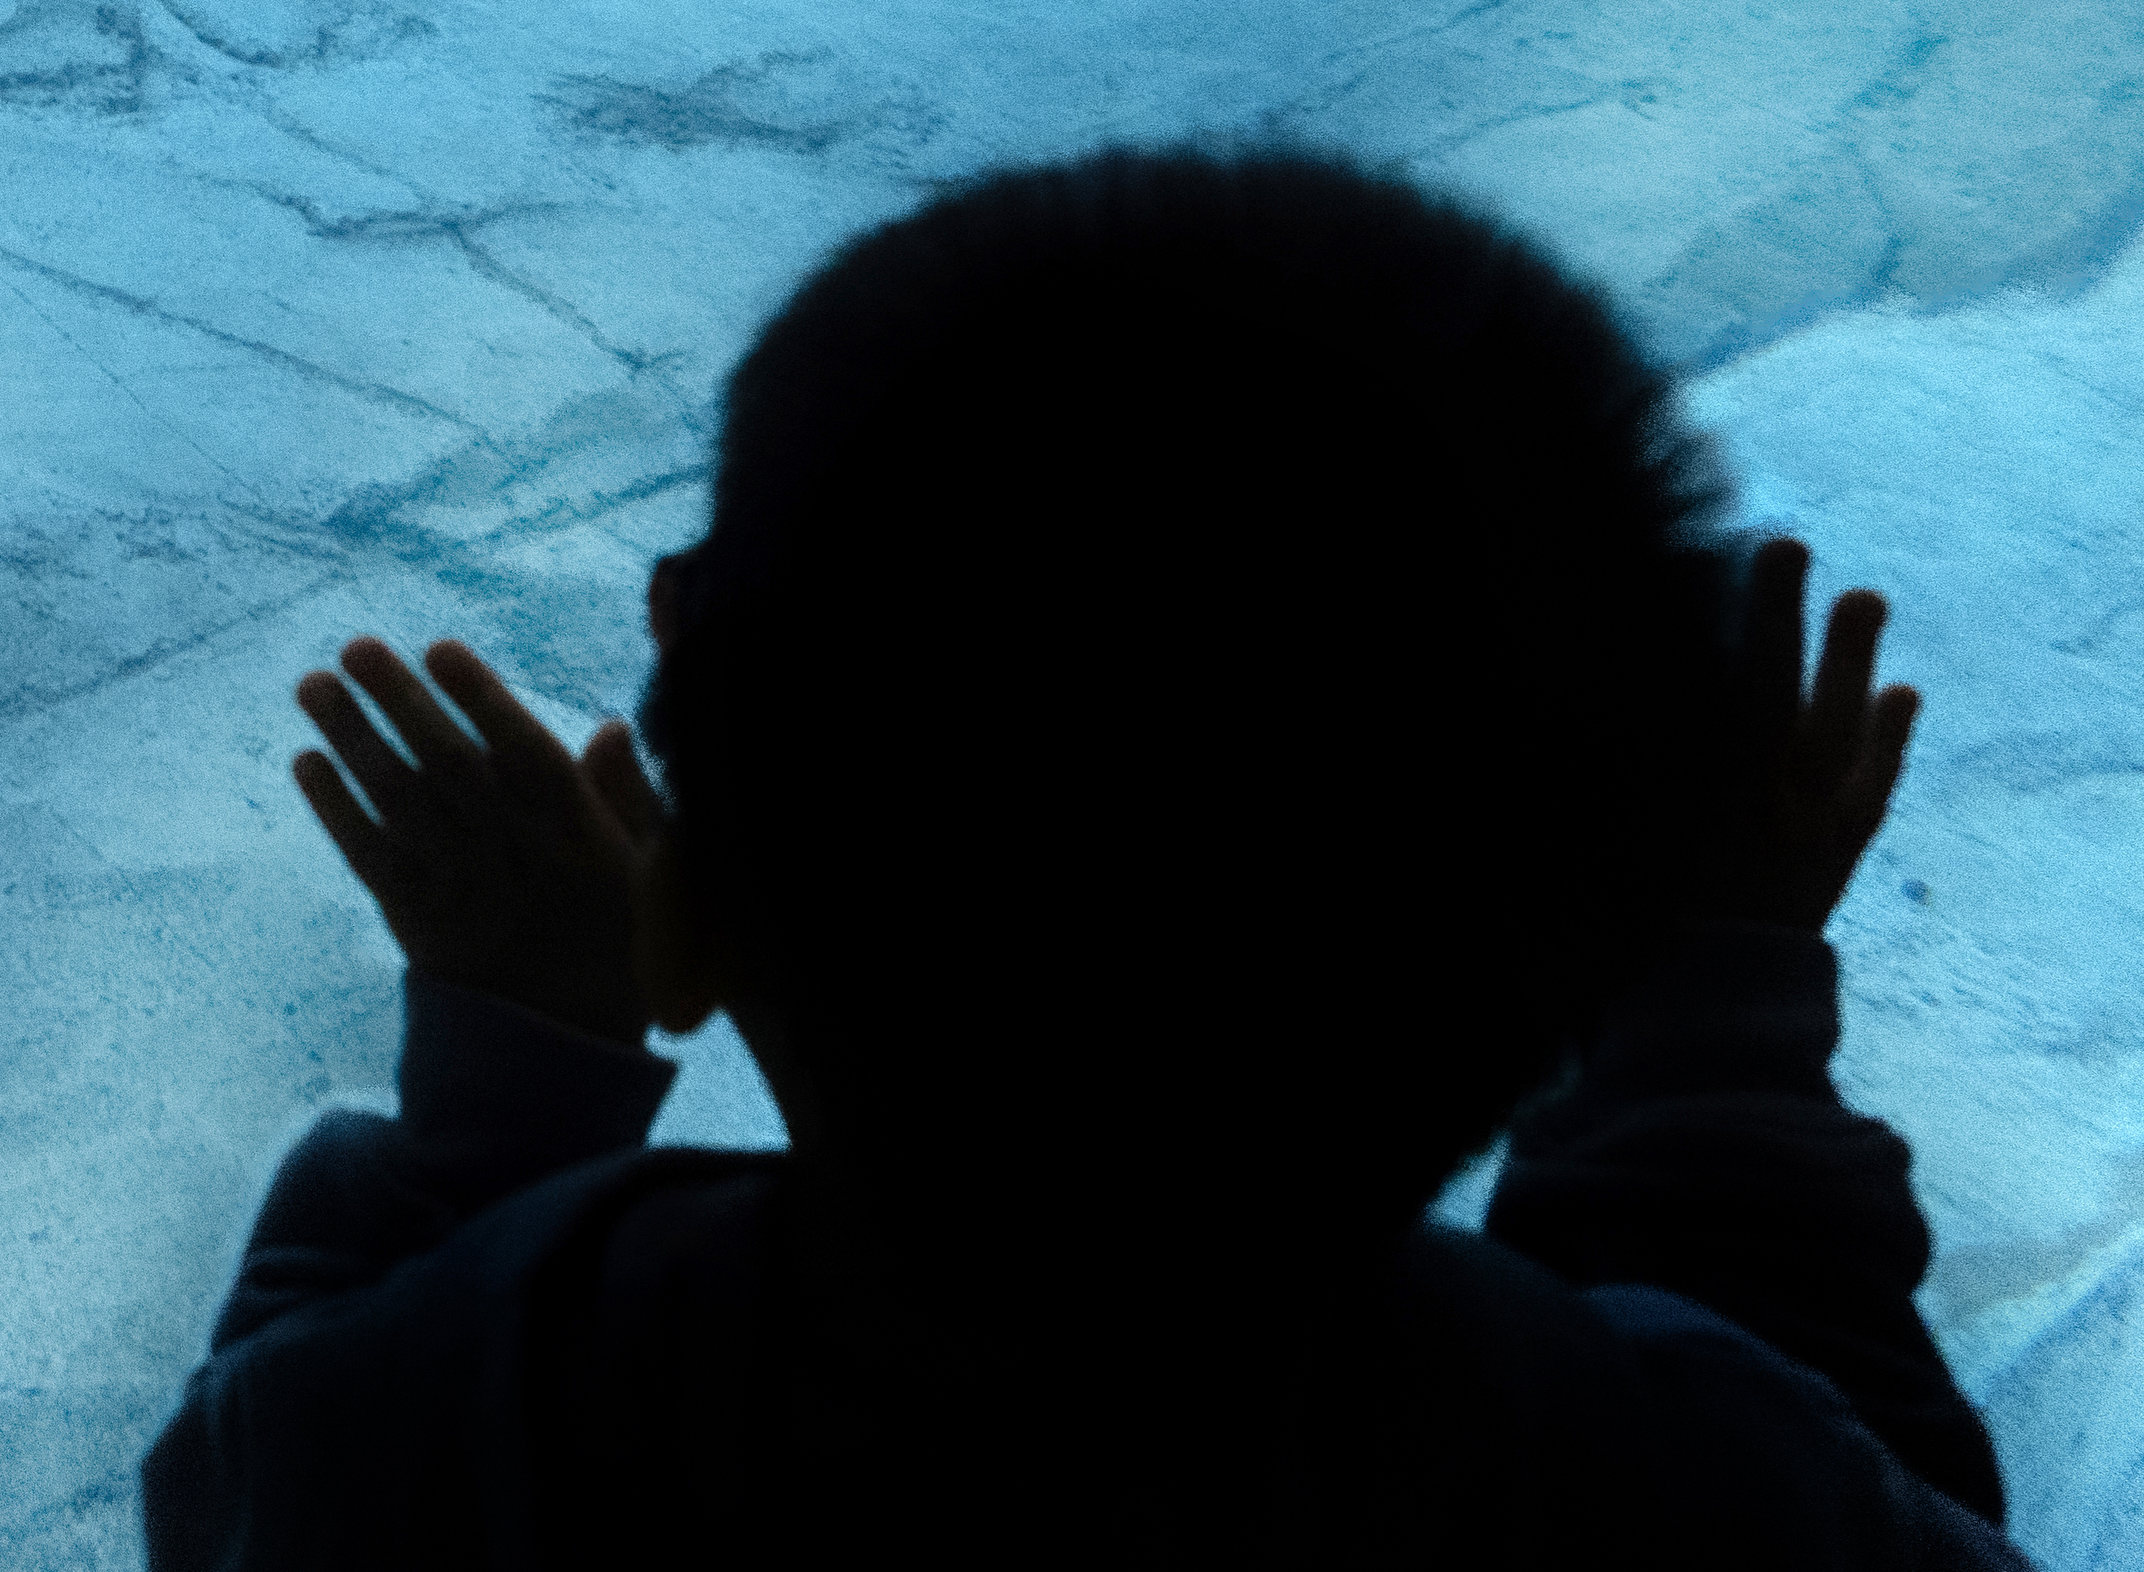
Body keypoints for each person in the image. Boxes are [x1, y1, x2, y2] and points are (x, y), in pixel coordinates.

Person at [143, 146, 2025, 1569]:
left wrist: (504, 1082)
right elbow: (1882, 1496)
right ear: (1597, 910)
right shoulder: (1682, 1485)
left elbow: (241, 1488)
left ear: (690, 912)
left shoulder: (440, 1428)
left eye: (696, 615)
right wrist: (1706, 1054)